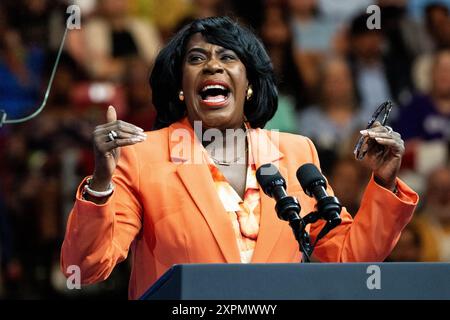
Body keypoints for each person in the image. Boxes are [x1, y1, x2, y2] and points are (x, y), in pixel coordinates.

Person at [61, 17, 419, 300]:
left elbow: (343, 260)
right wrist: (100, 184)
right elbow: (86, 266)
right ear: (181, 89)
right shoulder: (142, 156)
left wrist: (384, 182)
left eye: (228, 57)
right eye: (196, 58)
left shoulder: (296, 153)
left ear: (248, 84)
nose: (212, 66)